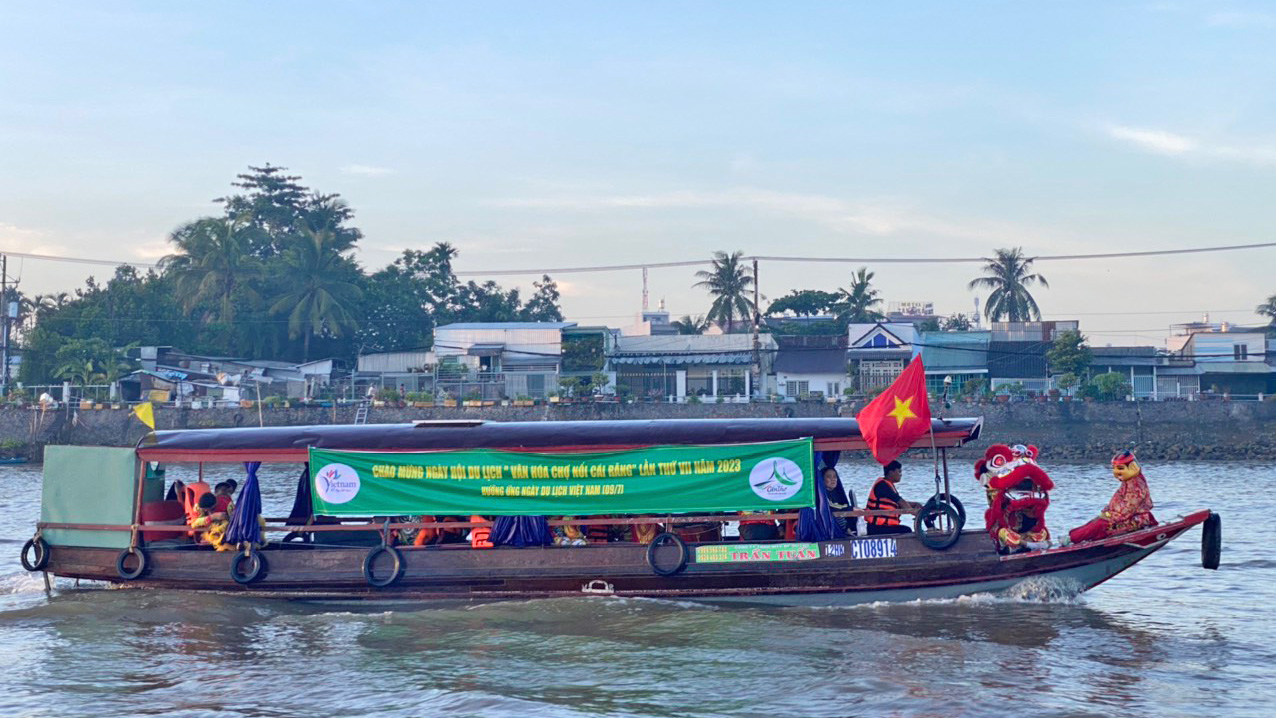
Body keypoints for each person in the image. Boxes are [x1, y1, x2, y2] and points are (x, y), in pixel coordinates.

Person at [1068, 450, 1157, 544]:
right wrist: (1106, 513)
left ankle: (1072, 539)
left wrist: (1110, 516)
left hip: (1135, 520)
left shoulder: (1136, 485)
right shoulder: (1129, 481)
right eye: (1114, 468)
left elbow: (1129, 508)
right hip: (1118, 516)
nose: (1116, 472)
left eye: (1120, 468)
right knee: (1094, 522)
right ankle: (1072, 538)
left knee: (1099, 525)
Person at [865, 460, 922, 535]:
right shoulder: (882, 486)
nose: (901, 475)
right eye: (899, 472)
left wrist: (914, 504)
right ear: (891, 472)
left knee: (905, 529)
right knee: (906, 530)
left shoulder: (888, 485)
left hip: (883, 526)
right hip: (877, 527)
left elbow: (895, 503)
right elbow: (900, 501)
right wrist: (915, 512)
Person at [822, 467, 858, 537]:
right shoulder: (822, 494)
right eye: (829, 477)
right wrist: (850, 508)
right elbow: (831, 506)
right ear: (822, 479)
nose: (833, 479)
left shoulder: (836, 493)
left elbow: (841, 505)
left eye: (835, 477)